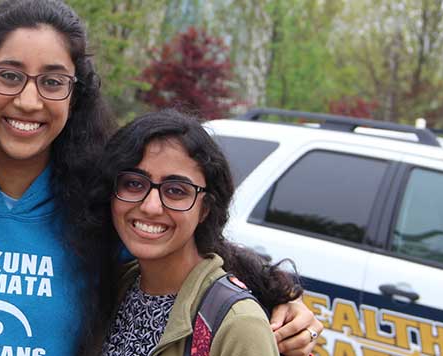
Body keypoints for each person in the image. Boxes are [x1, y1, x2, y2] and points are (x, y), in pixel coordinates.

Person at [0, 1, 323, 355]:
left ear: (75, 95)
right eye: (9, 76)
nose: (28, 101)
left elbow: (192, 247)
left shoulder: (97, 204)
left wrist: (280, 295)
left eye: (53, 82)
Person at [84, 110, 307, 355]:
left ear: (205, 209)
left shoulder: (237, 324)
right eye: (134, 184)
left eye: (176, 190)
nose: (150, 206)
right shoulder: (116, 288)